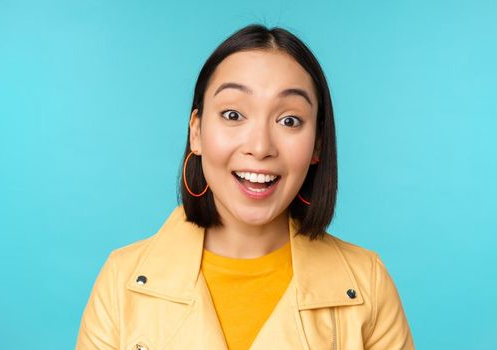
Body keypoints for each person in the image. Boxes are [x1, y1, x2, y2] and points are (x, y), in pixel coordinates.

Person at [75, 24, 414, 350]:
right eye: (233, 115)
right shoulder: (122, 281)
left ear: (318, 145)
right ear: (196, 132)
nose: (260, 146)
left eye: (289, 120)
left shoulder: (366, 284)